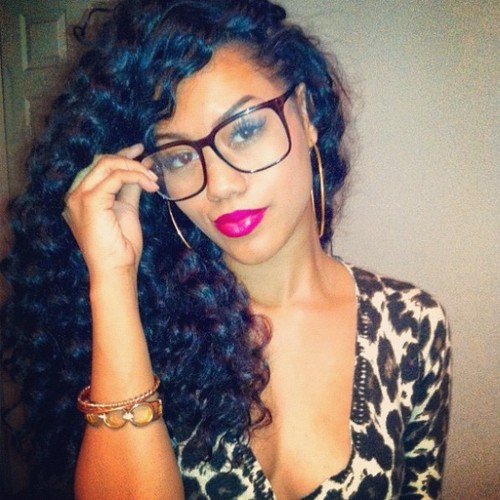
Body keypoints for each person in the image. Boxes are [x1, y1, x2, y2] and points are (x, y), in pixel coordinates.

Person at [0, 0, 451, 498]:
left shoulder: (412, 326)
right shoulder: (150, 328)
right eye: (177, 156)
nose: (219, 185)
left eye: (246, 129)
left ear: (305, 114)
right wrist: (111, 279)